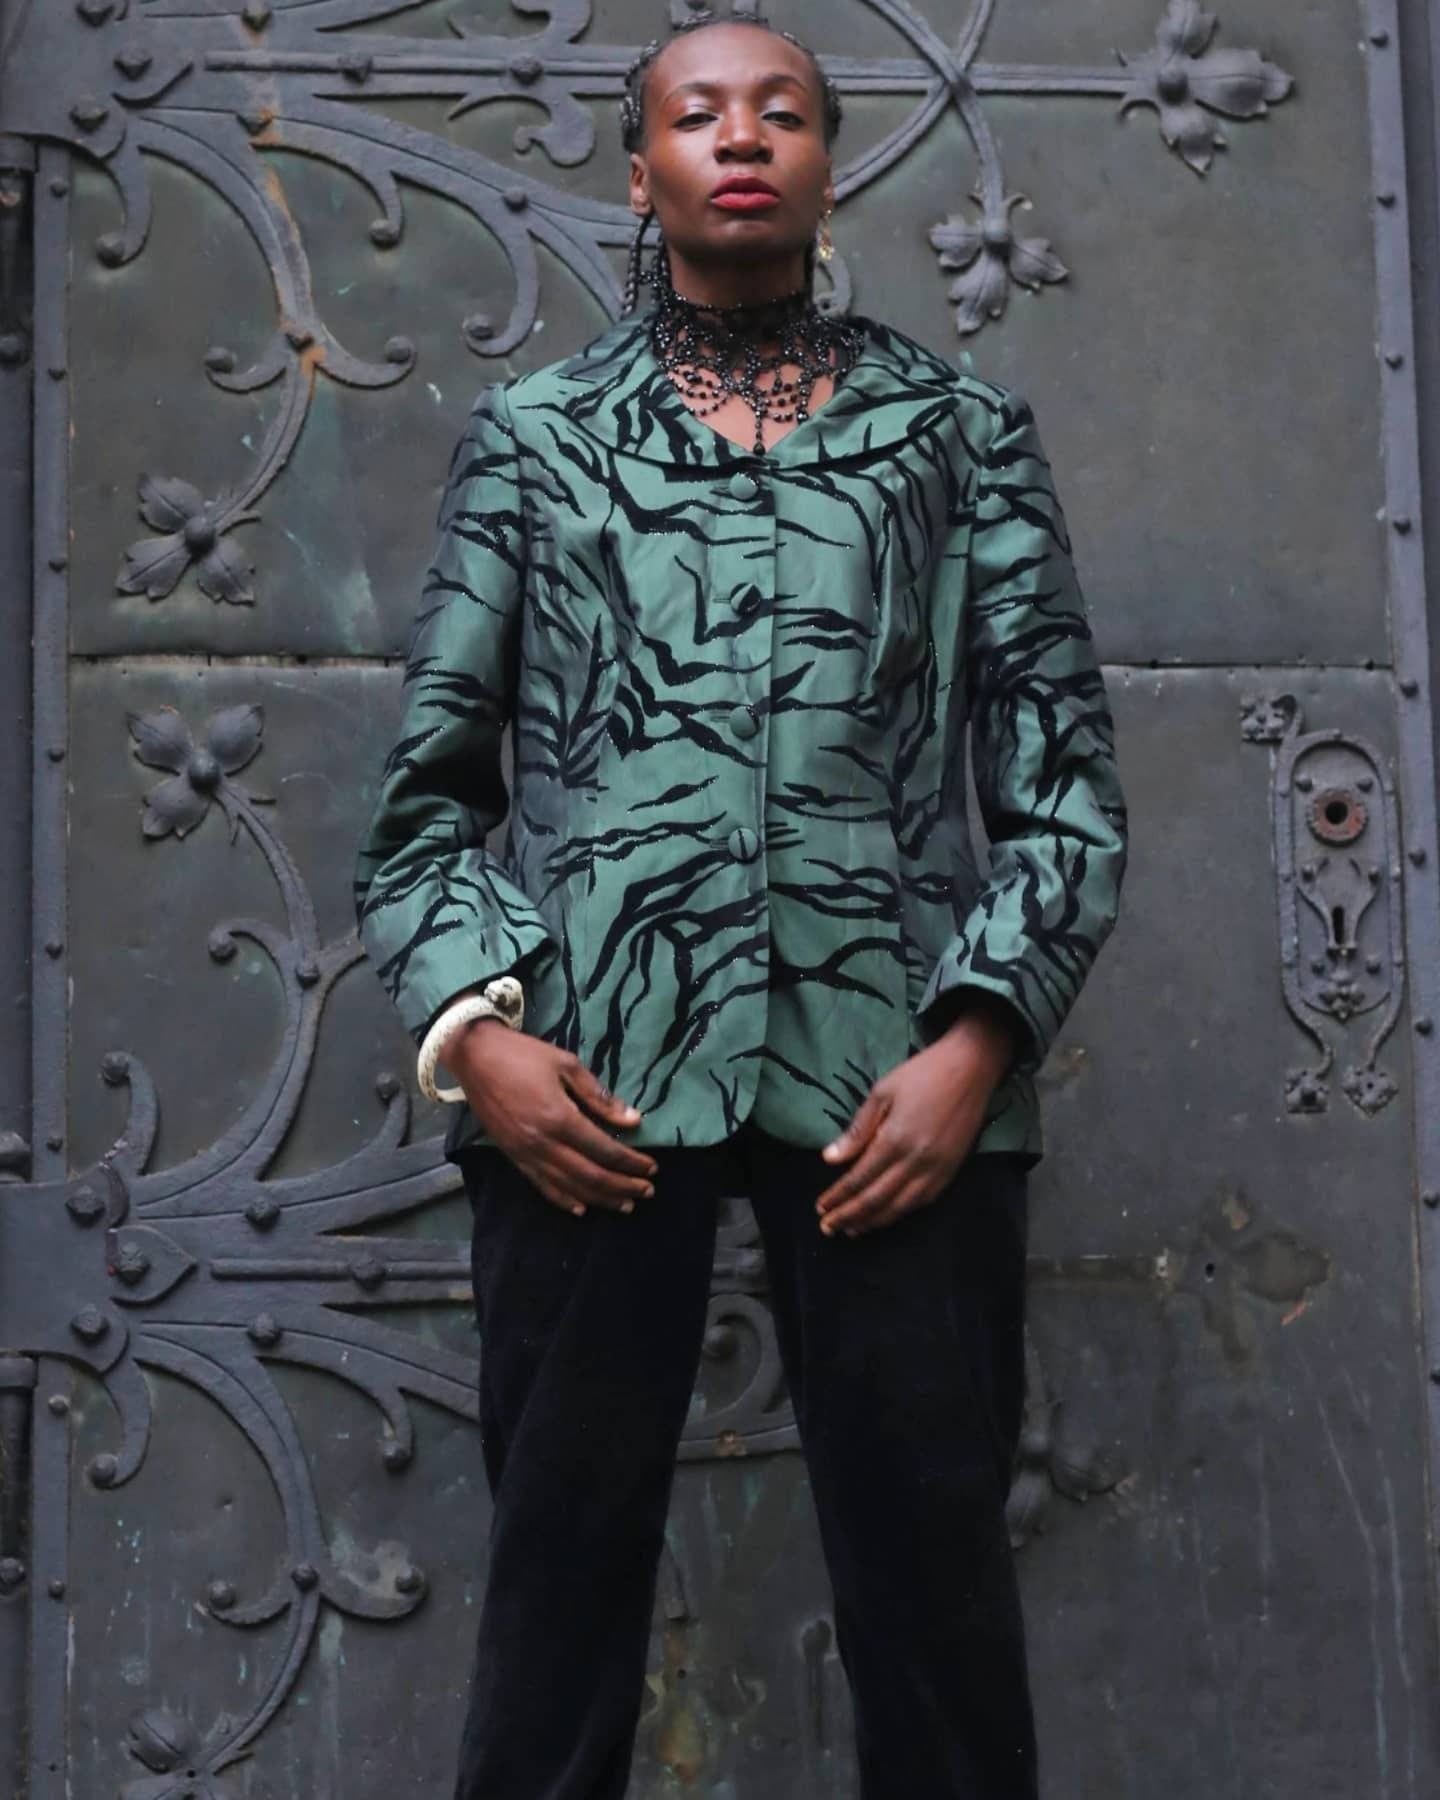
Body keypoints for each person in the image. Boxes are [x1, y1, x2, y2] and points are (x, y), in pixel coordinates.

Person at [354, 10, 1128, 1796]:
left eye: (781, 111)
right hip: (592, 1090)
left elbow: (1064, 786)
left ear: (826, 161)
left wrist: (979, 1043)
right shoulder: (540, 440)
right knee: (557, 1604)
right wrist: (483, 1044)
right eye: (698, 116)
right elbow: (425, 805)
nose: (743, 137)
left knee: (936, 1600)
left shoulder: (958, 431)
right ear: (644, 172)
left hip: (895, 1084)